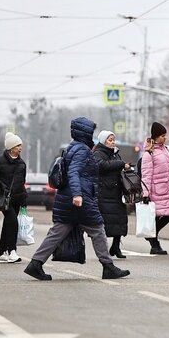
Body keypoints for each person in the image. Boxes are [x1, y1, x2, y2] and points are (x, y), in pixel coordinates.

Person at [24, 117, 130, 281]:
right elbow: (74, 172)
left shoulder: (73, 147)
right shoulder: (82, 150)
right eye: (91, 132)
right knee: (98, 229)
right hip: (80, 198)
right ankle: (108, 267)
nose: (92, 135)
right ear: (85, 133)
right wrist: (77, 194)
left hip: (68, 199)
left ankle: (35, 264)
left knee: (57, 232)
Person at [0, 132, 27, 263]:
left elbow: (22, 182)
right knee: (13, 222)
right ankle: (12, 251)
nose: (20, 148)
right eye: (17, 145)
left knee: (8, 224)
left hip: (17, 199)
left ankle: (2, 252)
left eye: (20, 145)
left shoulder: (22, 163)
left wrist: (24, 198)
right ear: (11, 147)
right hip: (4, 198)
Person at [141, 121, 169, 255]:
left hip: (167, 189)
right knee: (160, 215)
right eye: (162, 135)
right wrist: (145, 194)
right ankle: (154, 243)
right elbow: (146, 175)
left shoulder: (166, 150)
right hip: (156, 191)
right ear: (156, 137)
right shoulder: (149, 154)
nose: (165, 138)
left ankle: (152, 236)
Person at [93, 130, 130, 259]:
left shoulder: (115, 154)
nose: (113, 142)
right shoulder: (98, 152)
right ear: (103, 141)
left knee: (119, 220)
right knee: (106, 222)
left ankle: (116, 247)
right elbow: (100, 166)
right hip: (105, 194)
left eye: (114, 139)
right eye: (110, 140)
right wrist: (120, 164)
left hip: (116, 193)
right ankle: (104, 249)